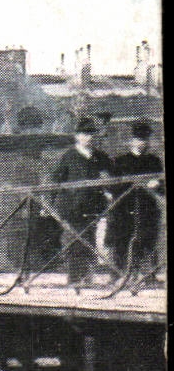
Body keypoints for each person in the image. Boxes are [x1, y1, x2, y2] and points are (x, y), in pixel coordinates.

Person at [47, 116, 114, 285]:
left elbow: (112, 175)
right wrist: (49, 203)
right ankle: (75, 279)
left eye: (91, 134)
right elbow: (55, 180)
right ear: (77, 136)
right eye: (84, 134)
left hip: (93, 206)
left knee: (89, 240)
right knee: (75, 241)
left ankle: (86, 278)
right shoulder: (68, 156)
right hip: (72, 206)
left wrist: (108, 188)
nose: (88, 137)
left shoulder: (100, 157)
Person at [109, 120, 163, 278]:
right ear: (132, 141)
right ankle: (120, 275)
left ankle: (147, 275)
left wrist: (157, 184)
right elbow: (114, 186)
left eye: (145, 139)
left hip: (147, 208)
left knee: (147, 240)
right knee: (123, 241)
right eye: (138, 139)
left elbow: (162, 185)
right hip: (125, 208)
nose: (142, 143)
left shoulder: (154, 161)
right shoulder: (120, 161)